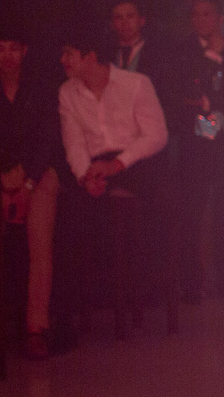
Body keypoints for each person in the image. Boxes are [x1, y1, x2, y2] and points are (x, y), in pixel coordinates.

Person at [52, 24, 168, 339]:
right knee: (69, 213)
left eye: (69, 54)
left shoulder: (136, 83)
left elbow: (156, 135)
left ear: (90, 57)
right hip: (95, 164)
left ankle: (138, 294)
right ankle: (70, 314)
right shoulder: (67, 92)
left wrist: (118, 164)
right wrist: (84, 175)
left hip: (135, 160)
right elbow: (73, 144)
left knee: (139, 208)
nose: (63, 60)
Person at [0, 20, 62, 354]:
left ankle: (36, 326)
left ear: (25, 51)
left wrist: (27, 182)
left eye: (14, 48)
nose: (8, 56)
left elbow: (48, 141)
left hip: (37, 172)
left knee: (39, 237)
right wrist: (0, 176)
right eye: (0, 49)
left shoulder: (42, 87)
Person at [175, 0, 224, 299]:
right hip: (194, 144)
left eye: (207, 13)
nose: (201, 19)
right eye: (196, 14)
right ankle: (191, 284)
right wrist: (211, 57)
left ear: (220, 19)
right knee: (191, 212)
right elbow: (188, 90)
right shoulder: (182, 52)